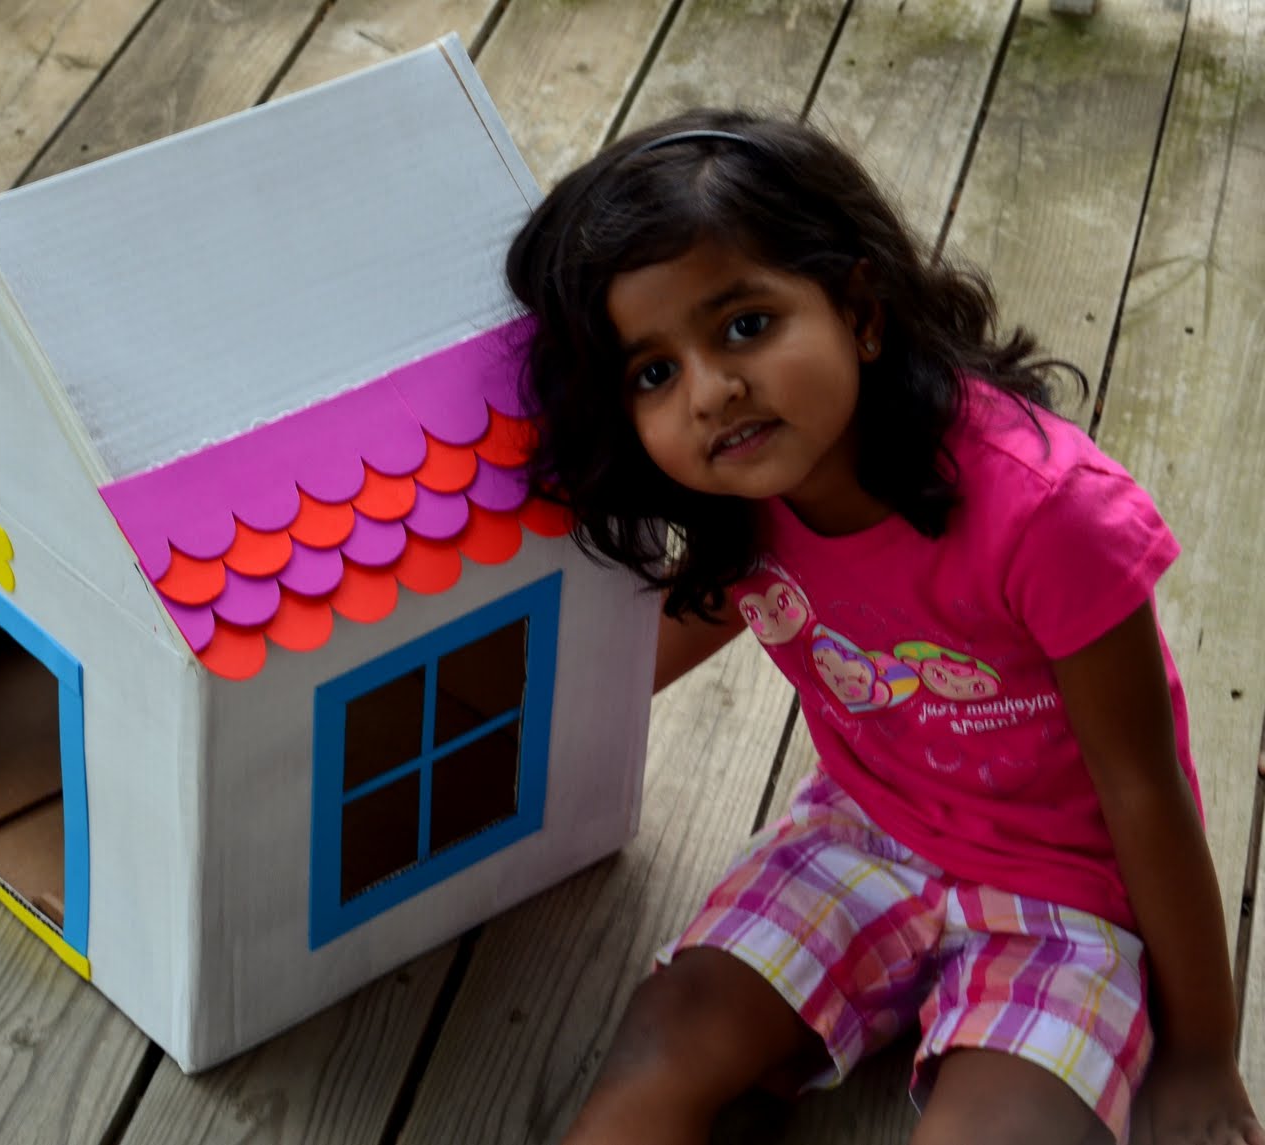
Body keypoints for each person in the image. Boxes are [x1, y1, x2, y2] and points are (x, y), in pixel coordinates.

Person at [504, 109, 1263, 1145]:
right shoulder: (744, 498)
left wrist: (1201, 1053)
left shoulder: (1051, 515)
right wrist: (492, 736)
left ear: (860, 308)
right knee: (655, 1056)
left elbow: (1147, 789)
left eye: (743, 325)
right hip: (857, 833)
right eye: (652, 372)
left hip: (1067, 901)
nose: (712, 390)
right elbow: (626, 662)